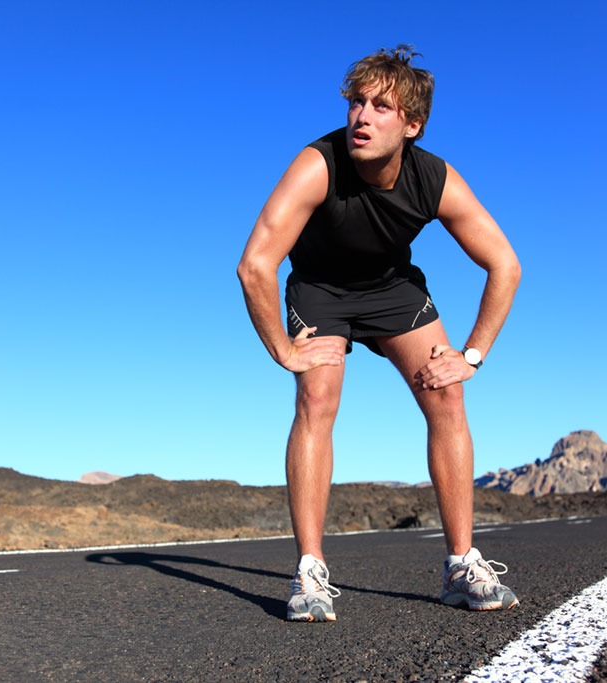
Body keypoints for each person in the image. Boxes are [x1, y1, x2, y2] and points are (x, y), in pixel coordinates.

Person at [237, 45, 522, 621]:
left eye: (382, 107)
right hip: (320, 290)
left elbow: (505, 265)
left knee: (447, 392)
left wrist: (473, 354)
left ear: (412, 125)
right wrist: (283, 351)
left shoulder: (434, 179)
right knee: (317, 397)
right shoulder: (318, 164)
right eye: (357, 103)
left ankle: (461, 563)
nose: (362, 117)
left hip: (391, 290)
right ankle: (310, 572)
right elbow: (256, 264)